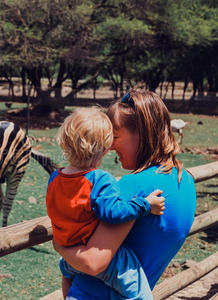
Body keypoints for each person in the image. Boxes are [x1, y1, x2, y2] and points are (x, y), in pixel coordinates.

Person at [52, 90, 196, 299]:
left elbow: (93, 262)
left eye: (115, 137)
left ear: (142, 133)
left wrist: (59, 246)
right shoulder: (186, 181)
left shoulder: (133, 186)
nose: (109, 146)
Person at [46, 106, 165, 300]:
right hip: (102, 260)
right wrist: (145, 205)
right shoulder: (99, 179)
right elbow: (112, 212)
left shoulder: (54, 178)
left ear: (65, 142)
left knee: (69, 283)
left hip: (67, 258)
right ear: (104, 148)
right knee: (141, 293)